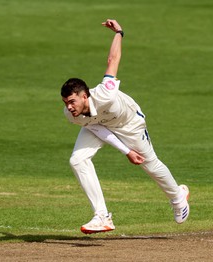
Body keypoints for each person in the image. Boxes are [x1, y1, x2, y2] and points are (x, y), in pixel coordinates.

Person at [61, 19, 190, 234]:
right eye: (66, 103)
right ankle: (102, 216)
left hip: (129, 124)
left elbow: (113, 60)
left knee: (150, 164)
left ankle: (178, 197)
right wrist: (125, 151)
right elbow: (97, 128)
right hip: (99, 125)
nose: (69, 107)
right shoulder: (71, 115)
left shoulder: (105, 93)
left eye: (72, 101)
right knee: (77, 160)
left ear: (85, 96)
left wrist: (119, 32)